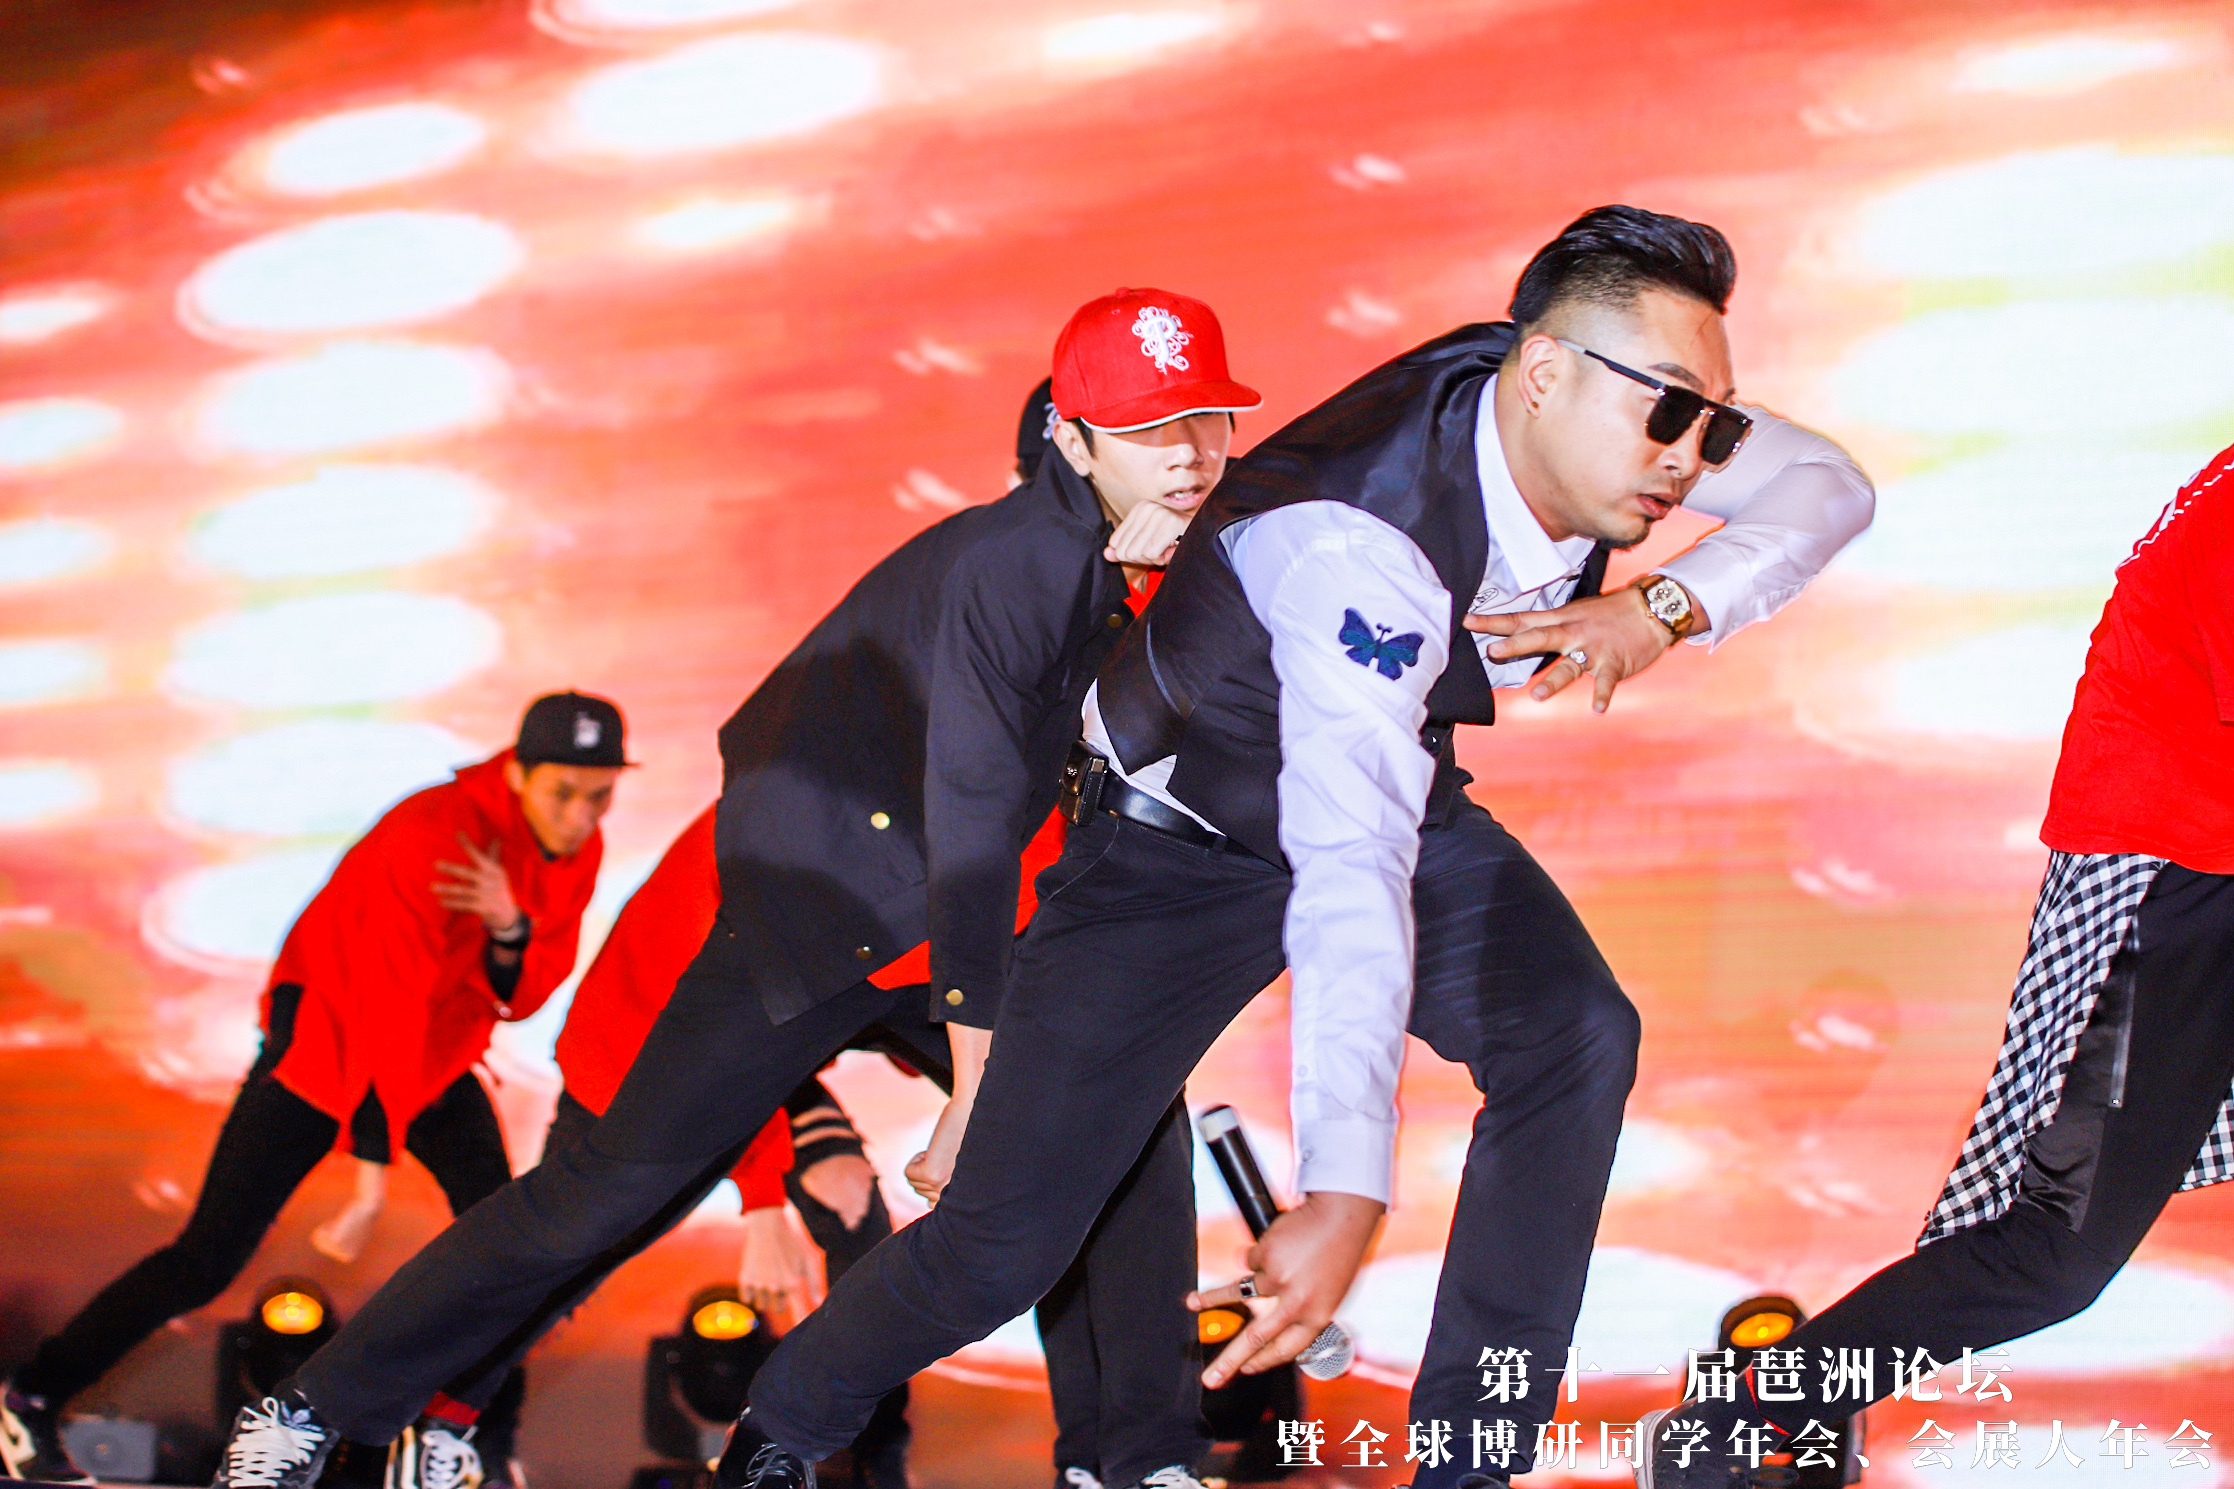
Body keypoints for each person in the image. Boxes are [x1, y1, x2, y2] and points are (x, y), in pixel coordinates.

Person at [729, 205, 1875, 1489]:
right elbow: (1350, 874)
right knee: (1003, 1242)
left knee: (1573, 1035)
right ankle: (783, 1427)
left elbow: (1830, 488)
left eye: (1710, 422)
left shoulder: (1592, 415)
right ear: (1543, 373)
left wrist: (1663, 604)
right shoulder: (1354, 549)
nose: (1688, 457)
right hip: (1172, 845)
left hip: (1378, 784)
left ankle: (1467, 1469)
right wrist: (1342, 1189)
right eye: (1668, 411)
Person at [207, 290, 1260, 1489]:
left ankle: (1135, 1461)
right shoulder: (1008, 568)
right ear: (1069, 451)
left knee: (1128, 1130)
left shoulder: (1158, 579)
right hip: (829, 917)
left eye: (1205, 422)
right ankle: (311, 1407)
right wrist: (970, 1091)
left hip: (977, 940)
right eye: (1146, 432)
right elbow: (970, 818)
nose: (1187, 457)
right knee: (601, 1193)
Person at [1633, 445, 2234, 1487]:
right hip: (2173, 881)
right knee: (2052, 1250)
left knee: (2051, 1251)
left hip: (2191, 865)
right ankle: (1748, 1416)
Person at [0, 694, 625, 1487]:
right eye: (562, 792)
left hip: (432, 1058)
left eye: (599, 795)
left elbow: (525, 995)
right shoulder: (435, 830)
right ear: (517, 773)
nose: (579, 815)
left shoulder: (581, 847)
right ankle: (31, 1395)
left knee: (510, 1252)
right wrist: (371, 1173)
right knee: (206, 1258)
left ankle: (464, 1441)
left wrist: (509, 926)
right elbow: (385, 1000)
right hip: (327, 1046)